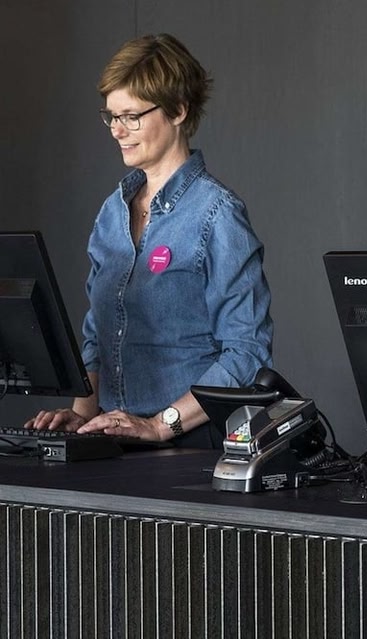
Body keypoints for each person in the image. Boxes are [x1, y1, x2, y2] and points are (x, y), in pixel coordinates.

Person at [26, 33, 273, 447]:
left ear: (178, 110)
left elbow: (247, 354)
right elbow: (98, 339)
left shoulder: (217, 214)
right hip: (117, 439)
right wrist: (81, 417)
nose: (117, 130)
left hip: (192, 445)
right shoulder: (112, 212)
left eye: (131, 116)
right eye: (111, 117)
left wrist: (160, 425)